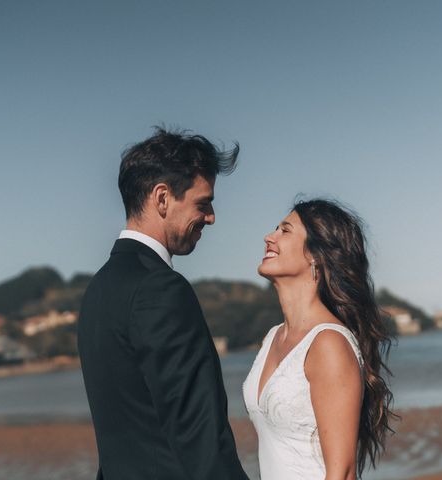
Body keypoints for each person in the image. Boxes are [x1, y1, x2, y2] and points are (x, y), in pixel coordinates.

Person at [78, 127, 249, 480]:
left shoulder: (97, 290)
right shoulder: (161, 289)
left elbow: (123, 436)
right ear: (162, 198)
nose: (212, 217)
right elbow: (200, 434)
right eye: (203, 203)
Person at [243, 199, 395, 480]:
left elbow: (343, 472)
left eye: (285, 231)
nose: (269, 236)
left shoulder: (329, 344)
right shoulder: (272, 337)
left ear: (316, 255)